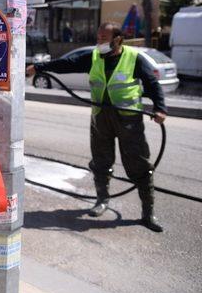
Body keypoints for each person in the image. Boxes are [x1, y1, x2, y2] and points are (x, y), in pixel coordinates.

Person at [26, 22, 167, 232]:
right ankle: (102, 201)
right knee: (101, 162)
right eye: (98, 38)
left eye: (104, 38)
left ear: (117, 39)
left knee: (139, 165)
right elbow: (67, 63)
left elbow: (152, 83)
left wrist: (160, 108)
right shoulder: (93, 57)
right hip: (101, 117)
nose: (99, 42)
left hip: (129, 119)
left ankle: (148, 213)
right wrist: (39, 67)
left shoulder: (133, 58)